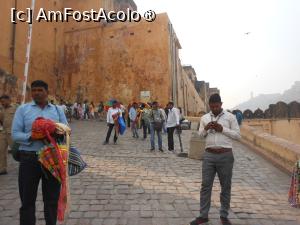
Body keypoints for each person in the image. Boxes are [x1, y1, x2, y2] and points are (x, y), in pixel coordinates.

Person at [12, 80, 68, 225]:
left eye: (40, 90)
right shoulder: (22, 110)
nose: (36, 93)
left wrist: (54, 132)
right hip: (29, 159)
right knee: (27, 199)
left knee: (51, 200)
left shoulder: (57, 110)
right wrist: (31, 136)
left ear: (46, 92)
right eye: (34, 90)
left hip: (52, 159)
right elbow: (15, 134)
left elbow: (66, 130)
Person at [189, 94, 241, 225]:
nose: (214, 109)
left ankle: (224, 216)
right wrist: (206, 128)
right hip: (209, 155)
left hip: (225, 155)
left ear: (221, 104)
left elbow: (237, 136)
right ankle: (203, 215)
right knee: (205, 186)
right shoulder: (205, 118)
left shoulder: (230, 117)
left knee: (225, 186)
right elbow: (200, 135)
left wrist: (222, 129)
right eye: (212, 107)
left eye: (216, 106)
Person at [0, 95, 17, 175]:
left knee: (17, 151)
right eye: (1, 102)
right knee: (1, 150)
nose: (2, 103)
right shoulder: (2, 109)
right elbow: (2, 120)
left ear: (8, 100)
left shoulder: (16, 108)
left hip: (12, 133)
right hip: (3, 133)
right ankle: (2, 168)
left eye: (3, 101)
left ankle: (23, 167)